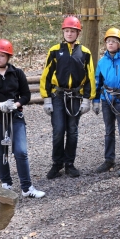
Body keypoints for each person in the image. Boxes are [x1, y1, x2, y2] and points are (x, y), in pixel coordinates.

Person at [0, 39, 45, 198]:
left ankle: (27, 187)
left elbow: (26, 95)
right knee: (0, 151)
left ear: (8, 57)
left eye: (2, 55)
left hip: (15, 116)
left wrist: (17, 104)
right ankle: (6, 184)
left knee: (21, 151)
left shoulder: (18, 73)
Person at [40, 16, 96, 179]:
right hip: (58, 95)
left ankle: (69, 164)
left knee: (72, 131)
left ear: (78, 33)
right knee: (58, 130)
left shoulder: (85, 53)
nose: (69, 33)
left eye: (72, 31)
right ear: (63, 32)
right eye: (67, 31)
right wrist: (46, 98)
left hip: (75, 96)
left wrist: (87, 98)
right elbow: (46, 74)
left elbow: (90, 76)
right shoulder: (55, 50)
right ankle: (57, 163)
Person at [93, 27, 120, 176]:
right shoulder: (102, 61)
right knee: (108, 130)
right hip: (106, 98)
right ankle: (109, 159)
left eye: (114, 41)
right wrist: (96, 100)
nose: (110, 44)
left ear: (119, 43)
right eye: (108, 41)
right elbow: (98, 81)